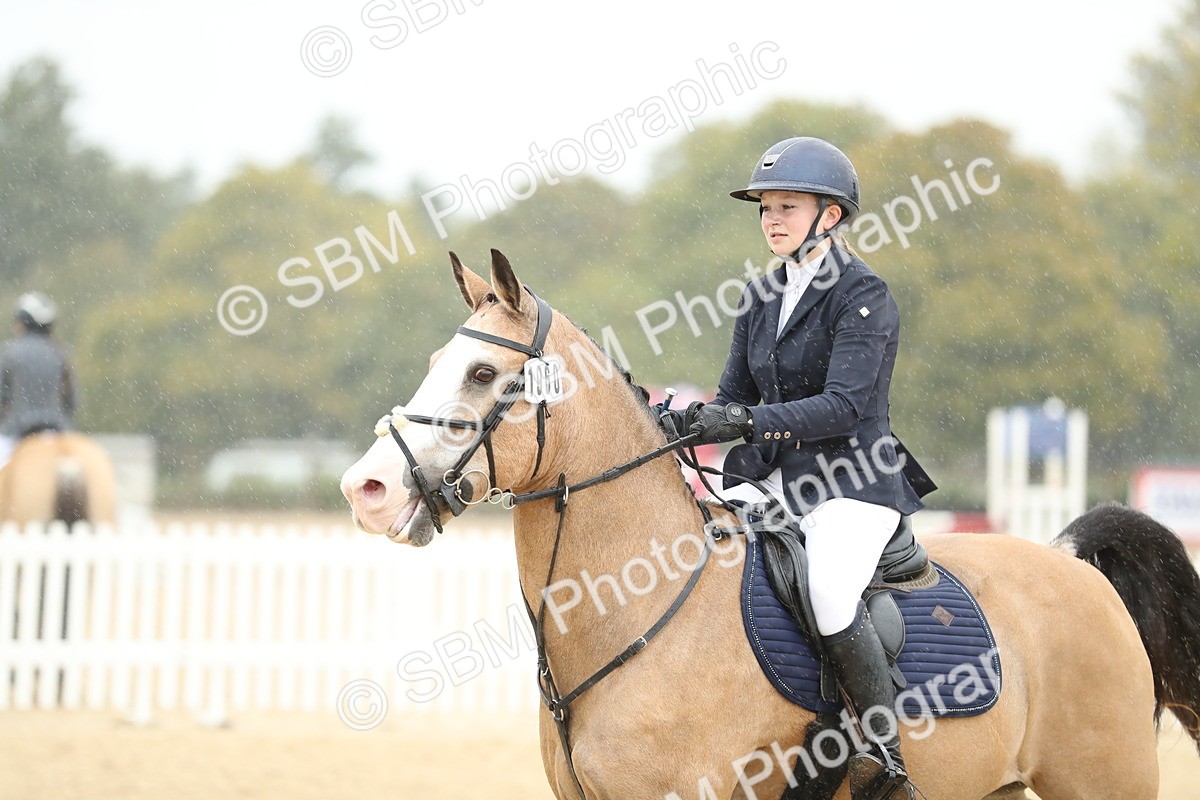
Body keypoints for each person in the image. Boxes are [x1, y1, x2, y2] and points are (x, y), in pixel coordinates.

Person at [681, 137, 936, 799]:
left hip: (852, 480)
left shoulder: (863, 294)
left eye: (787, 206)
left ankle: (881, 755)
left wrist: (744, 422)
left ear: (831, 216)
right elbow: (734, 394)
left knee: (828, 591)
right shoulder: (762, 294)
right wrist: (687, 421)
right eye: (765, 207)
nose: (772, 218)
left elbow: (845, 407)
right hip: (772, 476)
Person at [0, 292, 77, 467]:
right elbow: (72, 402)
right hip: (56, 432)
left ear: (22, 323)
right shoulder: (61, 355)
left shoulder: (9, 353)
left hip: (16, 431)